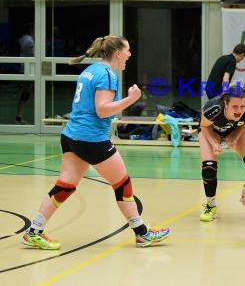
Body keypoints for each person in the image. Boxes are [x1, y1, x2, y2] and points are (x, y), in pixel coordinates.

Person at [21, 35, 171, 250]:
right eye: (128, 50)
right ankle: (142, 233)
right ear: (118, 53)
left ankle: (34, 230)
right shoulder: (107, 75)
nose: (130, 54)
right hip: (91, 139)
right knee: (122, 184)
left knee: (65, 185)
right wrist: (131, 100)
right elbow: (102, 109)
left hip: (72, 136)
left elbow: (93, 107)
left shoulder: (90, 71)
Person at [198, 89, 245, 222]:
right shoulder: (214, 108)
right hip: (210, 131)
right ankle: (210, 204)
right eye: (235, 106)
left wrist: (235, 137)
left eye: (242, 106)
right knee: (209, 168)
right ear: (225, 105)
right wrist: (214, 144)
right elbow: (204, 126)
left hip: (234, 130)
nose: (239, 110)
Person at [16, 24, 34, 124]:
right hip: (29, 68)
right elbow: (32, 54)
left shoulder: (26, 38)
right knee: (26, 92)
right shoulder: (28, 40)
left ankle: (19, 115)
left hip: (29, 68)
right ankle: (19, 115)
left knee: (29, 91)